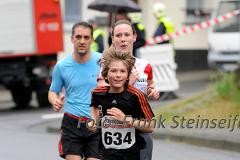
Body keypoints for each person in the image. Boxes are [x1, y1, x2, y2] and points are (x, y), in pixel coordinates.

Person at [101, 20, 159, 160]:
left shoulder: (145, 66)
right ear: (113, 38)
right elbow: (102, 97)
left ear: (134, 37)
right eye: (118, 35)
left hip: (140, 131)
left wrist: (153, 91)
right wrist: (128, 85)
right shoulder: (105, 66)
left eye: (126, 35)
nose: (123, 39)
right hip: (114, 132)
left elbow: (150, 86)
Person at [48, 22, 101, 160]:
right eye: (78, 37)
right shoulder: (62, 66)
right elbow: (53, 91)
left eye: (86, 37)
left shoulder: (103, 61)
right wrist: (55, 101)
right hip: (72, 122)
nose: (82, 41)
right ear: (72, 39)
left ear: (91, 40)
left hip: (96, 122)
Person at [90, 47, 155, 160]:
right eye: (113, 71)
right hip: (106, 155)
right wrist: (94, 122)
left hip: (130, 155)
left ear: (128, 75)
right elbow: (94, 106)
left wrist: (125, 119)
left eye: (122, 71)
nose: (118, 75)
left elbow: (151, 126)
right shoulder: (97, 93)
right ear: (105, 74)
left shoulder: (136, 96)